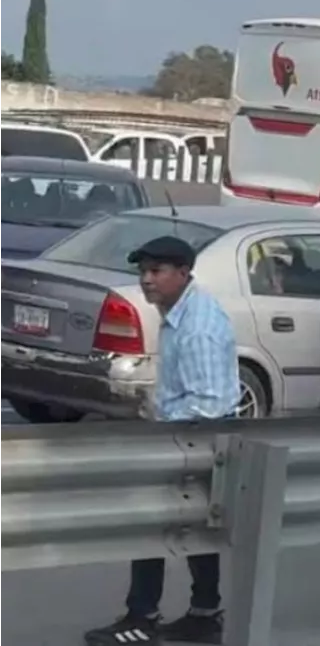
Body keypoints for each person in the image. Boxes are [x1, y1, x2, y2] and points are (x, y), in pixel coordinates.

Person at [84, 236, 240, 646]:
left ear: (183, 273)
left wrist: (165, 430)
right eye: (143, 272)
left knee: (150, 522)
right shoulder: (183, 312)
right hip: (190, 436)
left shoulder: (199, 328)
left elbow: (207, 404)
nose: (147, 280)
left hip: (196, 437)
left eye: (156, 272)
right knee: (195, 529)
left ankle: (142, 616)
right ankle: (204, 613)